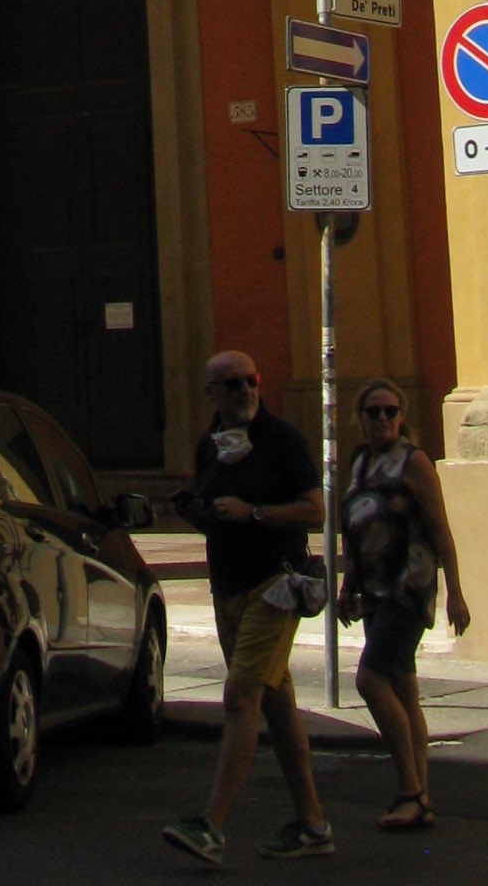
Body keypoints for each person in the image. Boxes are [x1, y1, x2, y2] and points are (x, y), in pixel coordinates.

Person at [160, 350, 334, 866]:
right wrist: (198, 514)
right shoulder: (209, 449)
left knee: (240, 698)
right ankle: (313, 824)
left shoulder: (283, 440)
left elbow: (315, 509)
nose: (245, 390)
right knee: (277, 708)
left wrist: (253, 512)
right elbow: (219, 516)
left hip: (275, 585)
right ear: (211, 394)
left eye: (251, 381)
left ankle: (211, 825)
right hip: (228, 589)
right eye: (232, 384)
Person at [338, 378, 468, 833]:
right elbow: (353, 527)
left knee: (371, 681)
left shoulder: (414, 463)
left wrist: (455, 590)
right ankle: (422, 798)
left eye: (391, 411)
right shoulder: (359, 462)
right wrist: (347, 585)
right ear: (361, 418)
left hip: (407, 590)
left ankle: (409, 791)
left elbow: (440, 527)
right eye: (374, 412)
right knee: (405, 690)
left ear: (402, 416)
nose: (382, 419)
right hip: (373, 591)